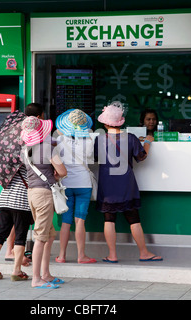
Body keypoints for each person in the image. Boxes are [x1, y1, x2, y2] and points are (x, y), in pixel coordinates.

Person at [94, 101, 162, 263]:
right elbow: (141, 157)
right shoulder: (130, 138)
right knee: (134, 218)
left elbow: (96, 159)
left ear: (104, 123)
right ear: (120, 122)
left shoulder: (100, 139)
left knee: (109, 219)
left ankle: (112, 255)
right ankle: (144, 252)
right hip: (126, 183)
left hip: (107, 184)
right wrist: (147, 142)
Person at [0, 103, 44, 281]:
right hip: (21, 200)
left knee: (1, 231)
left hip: (5, 196)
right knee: (20, 235)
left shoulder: (10, 144)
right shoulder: (31, 148)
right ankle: (16, 270)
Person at [21, 116, 67, 289]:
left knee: (49, 234)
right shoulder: (48, 148)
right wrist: (56, 174)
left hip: (32, 193)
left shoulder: (25, 149)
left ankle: (46, 274)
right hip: (44, 194)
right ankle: (36, 279)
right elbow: (62, 171)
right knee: (41, 237)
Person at [54, 109, 96, 264]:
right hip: (84, 184)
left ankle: (62, 256)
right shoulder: (89, 140)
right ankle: (81, 256)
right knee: (80, 221)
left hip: (65, 184)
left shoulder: (59, 140)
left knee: (66, 221)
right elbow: (90, 159)